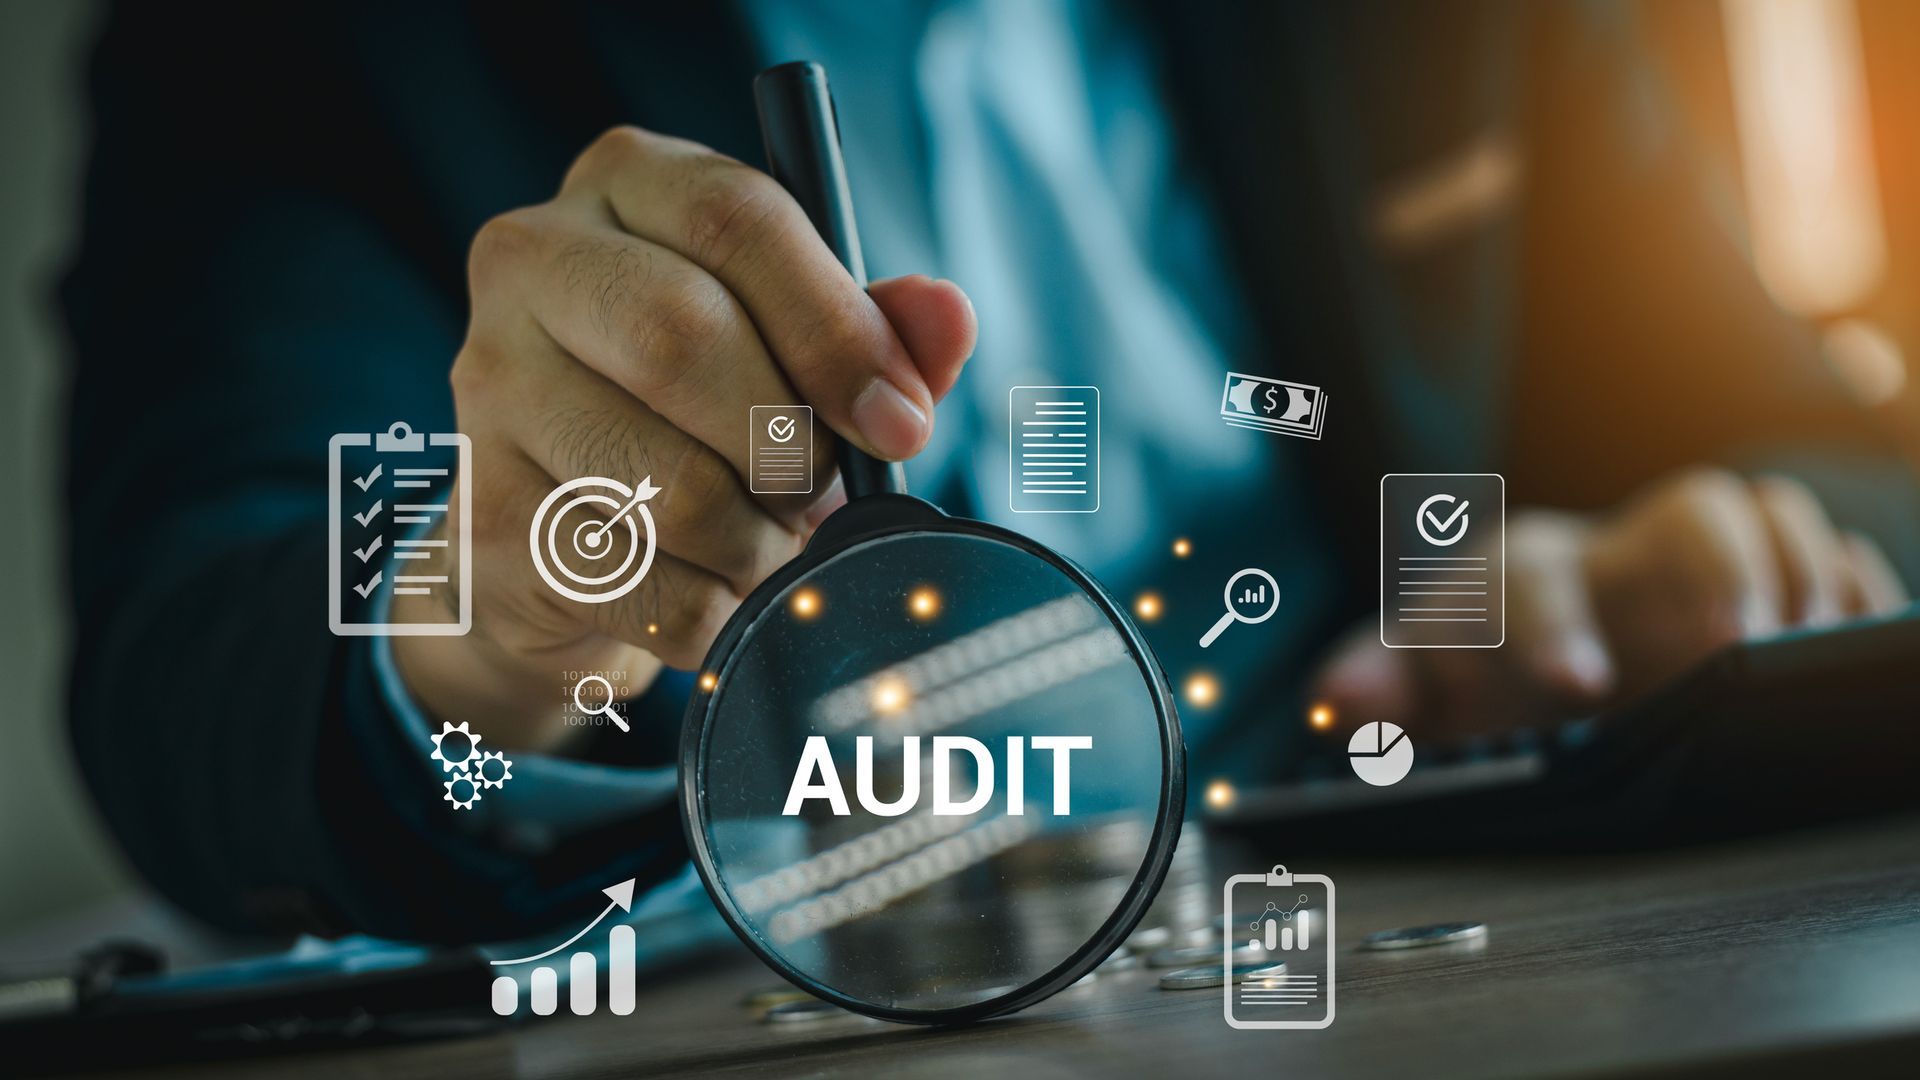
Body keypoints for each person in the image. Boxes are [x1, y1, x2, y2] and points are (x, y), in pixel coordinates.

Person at [61, 2, 1915, 943]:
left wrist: (1679, 567)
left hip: (1454, 951)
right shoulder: (309, 39)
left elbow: (1826, 443)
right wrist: (508, 624)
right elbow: (189, 660)